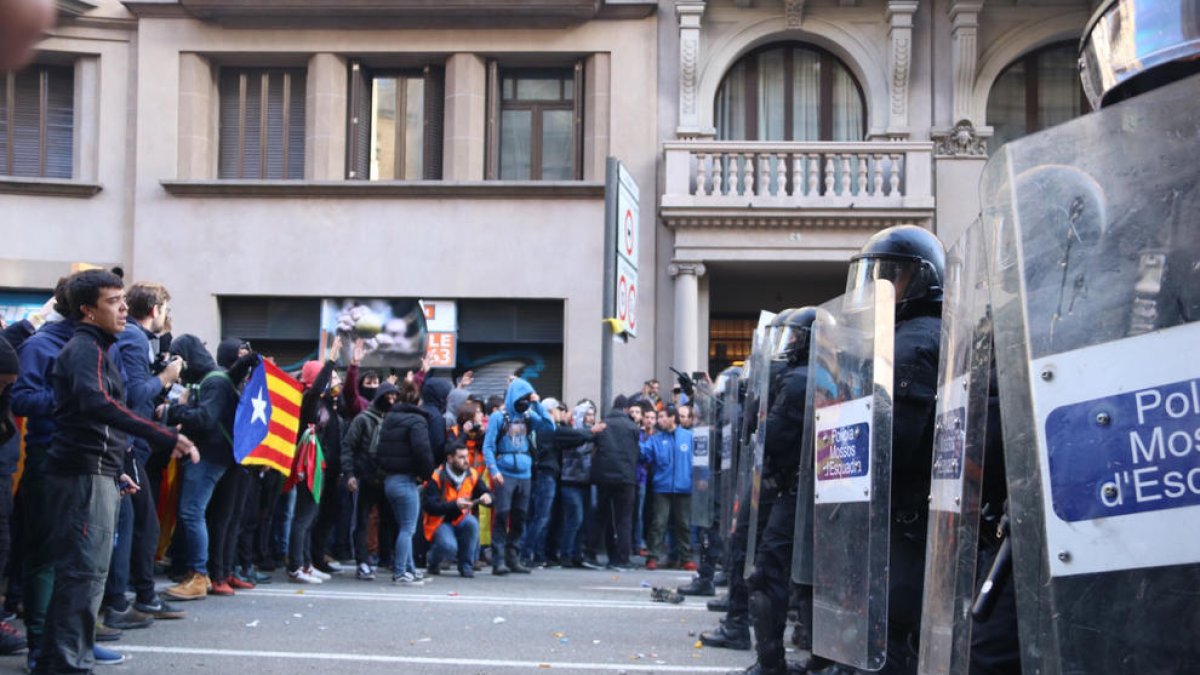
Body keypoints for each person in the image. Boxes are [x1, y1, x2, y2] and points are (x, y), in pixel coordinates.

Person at [40, 270, 197, 673]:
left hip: (96, 472)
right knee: (82, 575)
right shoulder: (83, 350)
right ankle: (65, 664)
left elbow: (97, 420)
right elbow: (96, 406)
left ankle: (69, 658)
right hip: (80, 476)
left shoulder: (97, 349)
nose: (124, 307)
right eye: (113, 301)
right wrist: (161, 434)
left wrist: (117, 468)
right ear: (88, 311)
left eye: (123, 300)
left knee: (87, 575)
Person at [738, 307, 825, 675]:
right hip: (817, 491)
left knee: (769, 573)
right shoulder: (820, 376)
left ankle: (772, 663)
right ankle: (822, 659)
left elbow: (769, 436)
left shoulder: (795, 381)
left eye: (792, 337)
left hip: (796, 490)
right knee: (813, 582)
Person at [103, 281, 187, 626]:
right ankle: (126, 600)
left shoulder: (136, 339)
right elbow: (135, 392)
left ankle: (136, 597)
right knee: (139, 526)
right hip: (128, 443)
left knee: (137, 524)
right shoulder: (135, 338)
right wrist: (165, 378)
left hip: (129, 440)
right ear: (156, 310)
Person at [160, 335, 242, 600]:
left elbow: (206, 419)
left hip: (208, 455)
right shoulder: (212, 379)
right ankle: (197, 572)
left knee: (192, 512)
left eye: (178, 358)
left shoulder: (215, 381)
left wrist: (172, 411)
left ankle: (198, 574)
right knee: (194, 513)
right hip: (211, 454)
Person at [284, 337, 344, 584]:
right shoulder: (308, 399)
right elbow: (318, 386)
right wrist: (330, 360)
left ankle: (306, 564)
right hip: (306, 464)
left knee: (311, 517)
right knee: (303, 517)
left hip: (318, 464)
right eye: (326, 377)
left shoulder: (322, 402)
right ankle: (296, 566)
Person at [482, 377, 554, 576]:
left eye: (527, 398)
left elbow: (550, 426)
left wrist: (537, 403)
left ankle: (513, 557)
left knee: (520, 516)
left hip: (525, 473)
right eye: (522, 398)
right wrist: (494, 470)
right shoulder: (499, 417)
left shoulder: (529, 415)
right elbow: (488, 446)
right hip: (504, 473)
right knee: (502, 515)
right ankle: (498, 560)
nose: (525, 402)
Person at [376, 380, 435, 584]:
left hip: (390, 480)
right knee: (408, 528)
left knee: (404, 527)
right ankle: (401, 571)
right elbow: (422, 451)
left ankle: (409, 568)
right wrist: (426, 474)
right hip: (406, 480)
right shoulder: (417, 421)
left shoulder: (390, 418)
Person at [341, 383, 400, 581]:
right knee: (362, 521)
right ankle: (363, 561)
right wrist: (349, 474)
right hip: (364, 475)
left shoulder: (393, 420)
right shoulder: (363, 420)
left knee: (388, 520)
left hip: (386, 476)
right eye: (388, 396)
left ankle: (386, 557)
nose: (391, 400)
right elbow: (348, 446)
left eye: (395, 397)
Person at [585, 395, 641, 571]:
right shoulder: (632, 427)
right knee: (624, 519)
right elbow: (637, 452)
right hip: (625, 479)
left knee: (601, 516)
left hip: (603, 477)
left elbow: (592, 447)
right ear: (626, 410)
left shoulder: (603, 424)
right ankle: (622, 559)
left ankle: (590, 553)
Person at [422, 443, 492, 578]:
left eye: (467, 456)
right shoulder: (437, 476)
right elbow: (430, 506)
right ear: (450, 459)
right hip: (440, 521)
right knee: (449, 547)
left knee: (472, 523)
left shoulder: (471, 474)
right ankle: (433, 560)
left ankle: (466, 566)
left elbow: (485, 492)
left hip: (461, 519)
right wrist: (455, 505)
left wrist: (488, 497)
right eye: (461, 457)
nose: (467, 461)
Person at [641, 405, 695, 571]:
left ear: (673, 418)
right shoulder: (656, 439)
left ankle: (686, 558)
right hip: (662, 487)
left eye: (663, 416)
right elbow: (643, 454)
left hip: (684, 486)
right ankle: (653, 556)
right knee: (658, 523)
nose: (659, 420)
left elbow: (699, 461)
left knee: (684, 524)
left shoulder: (689, 437)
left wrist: (701, 479)